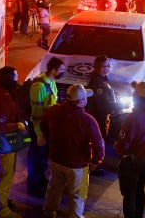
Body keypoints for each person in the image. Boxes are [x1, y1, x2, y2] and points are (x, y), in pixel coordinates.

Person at [40, 84, 105, 218]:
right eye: (85, 98)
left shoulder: (54, 110)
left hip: (56, 159)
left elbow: (43, 126)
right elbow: (99, 143)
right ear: (81, 101)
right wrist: (96, 160)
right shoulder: (88, 120)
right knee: (77, 194)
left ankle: (48, 211)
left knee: (54, 188)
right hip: (77, 165)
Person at [115, 81, 145, 218]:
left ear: (136, 98)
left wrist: (117, 147)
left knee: (128, 194)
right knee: (139, 188)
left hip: (133, 160)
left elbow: (124, 145)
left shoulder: (132, 118)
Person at [0, 66, 26, 218]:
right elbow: (0, 126)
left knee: (2, 172)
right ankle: (1, 211)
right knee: (5, 175)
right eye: (16, 76)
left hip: (5, 139)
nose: (18, 79)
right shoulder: (4, 97)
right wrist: (18, 125)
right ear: (9, 79)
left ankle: (2, 200)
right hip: (5, 140)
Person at [27, 57, 65, 198]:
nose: (63, 72)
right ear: (53, 70)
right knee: (36, 158)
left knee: (43, 158)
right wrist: (39, 134)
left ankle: (40, 180)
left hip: (47, 126)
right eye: (61, 70)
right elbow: (36, 114)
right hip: (39, 127)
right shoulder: (39, 87)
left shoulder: (51, 82)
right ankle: (33, 186)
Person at [85, 55, 120, 176]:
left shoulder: (98, 79)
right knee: (98, 141)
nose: (109, 68)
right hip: (98, 117)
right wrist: (117, 109)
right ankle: (94, 165)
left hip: (97, 115)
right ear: (101, 68)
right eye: (107, 66)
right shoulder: (98, 83)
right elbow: (103, 103)